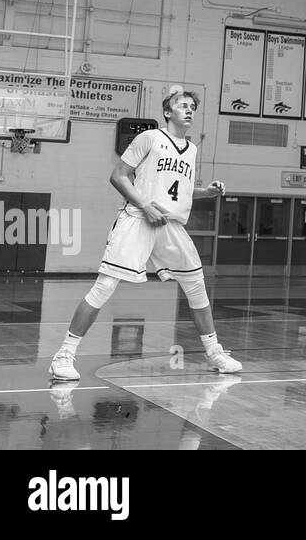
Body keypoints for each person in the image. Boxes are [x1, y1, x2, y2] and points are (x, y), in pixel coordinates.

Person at [48, 85, 241, 383]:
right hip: (138, 218)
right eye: (182, 105)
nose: (189, 110)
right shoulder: (149, 138)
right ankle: (63, 355)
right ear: (167, 112)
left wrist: (208, 192)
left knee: (197, 287)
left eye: (192, 106)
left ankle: (214, 352)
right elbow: (118, 176)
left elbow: (181, 193)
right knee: (105, 286)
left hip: (171, 225)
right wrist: (145, 206)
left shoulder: (191, 149)